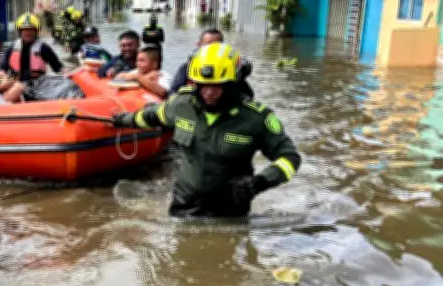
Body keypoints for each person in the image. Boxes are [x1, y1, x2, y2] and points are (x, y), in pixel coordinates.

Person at [110, 43, 301, 218]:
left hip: (231, 213)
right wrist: (122, 120)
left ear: (232, 84)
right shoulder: (181, 104)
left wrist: (260, 182)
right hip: (184, 208)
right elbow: (153, 115)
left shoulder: (257, 118)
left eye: (217, 86)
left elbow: (290, 158)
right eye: (203, 86)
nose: (209, 92)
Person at [169, 28, 254, 98]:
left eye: (216, 46)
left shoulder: (231, 69)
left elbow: (248, 96)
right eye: (208, 45)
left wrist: (239, 75)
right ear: (198, 45)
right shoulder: (188, 68)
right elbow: (173, 94)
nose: (212, 50)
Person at [0, 12, 64, 82]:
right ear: (20, 31)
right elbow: (3, 68)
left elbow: (58, 67)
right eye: (25, 30)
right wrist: (2, 76)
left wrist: (66, 74)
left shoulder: (44, 48)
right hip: (15, 85)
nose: (28, 33)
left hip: (38, 87)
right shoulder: (12, 48)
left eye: (31, 29)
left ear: (36, 31)